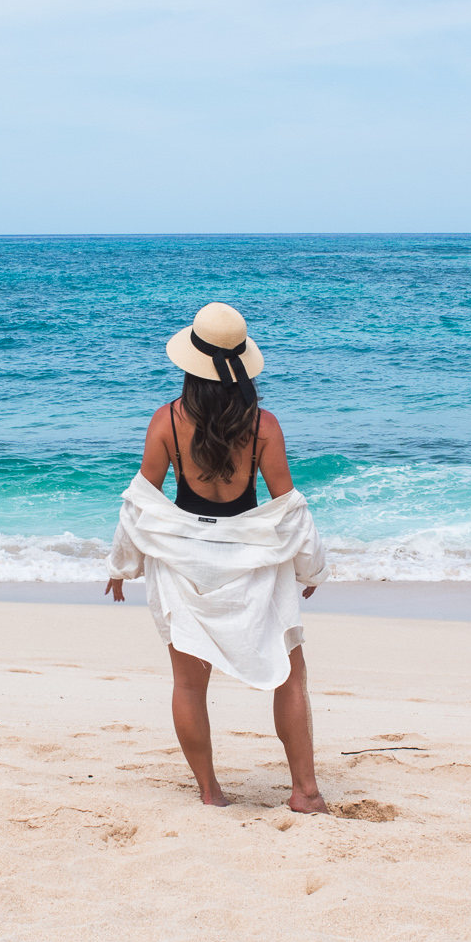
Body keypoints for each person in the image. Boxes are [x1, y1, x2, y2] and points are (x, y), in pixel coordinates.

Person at [105, 302, 330, 812]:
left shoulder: (166, 420)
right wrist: (310, 566)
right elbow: (288, 508)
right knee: (290, 676)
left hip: (184, 560)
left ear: (191, 364)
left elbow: (142, 500)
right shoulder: (263, 424)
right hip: (251, 559)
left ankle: (210, 793)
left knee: (188, 683)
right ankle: (305, 792)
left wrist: (122, 566)